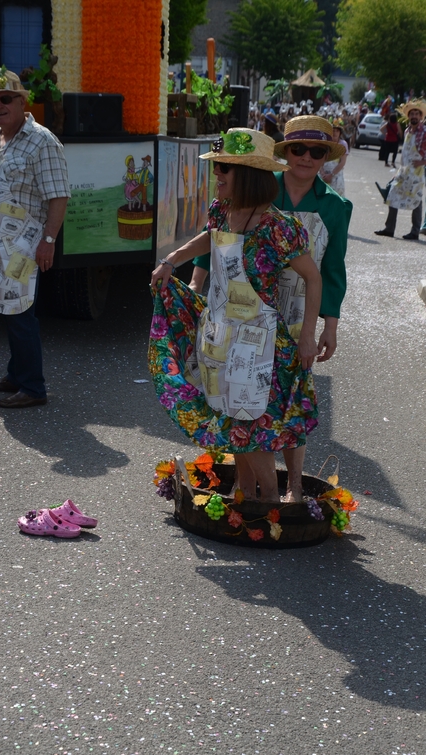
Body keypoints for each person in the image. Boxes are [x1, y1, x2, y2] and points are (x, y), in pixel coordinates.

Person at [149, 128, 322, 503]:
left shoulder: (280, 227)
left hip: (257, 344)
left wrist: (308, 335)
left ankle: (271, 503)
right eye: (218, 167)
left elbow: (313, 279)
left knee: (249, 425)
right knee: (232, 422)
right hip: (220, 336)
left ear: (247, 174)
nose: (218, 175)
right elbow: (209, 238)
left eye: (225, 168)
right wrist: (170, 261)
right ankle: (246, 495)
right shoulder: (222, 211)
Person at [189, 116, 352, 500]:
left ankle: (292, 487)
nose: (306, 157)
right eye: (298, 149)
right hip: (254, 308)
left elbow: (331, 270)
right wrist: (196, 278)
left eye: (317, 151)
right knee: (250, 403)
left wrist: (328, 326)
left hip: (300, 315)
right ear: (283, 153)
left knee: (292, 404)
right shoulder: (258, 189)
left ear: (325, 157)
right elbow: (218, 239)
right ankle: (258, 490)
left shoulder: (336, 207)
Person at [0, 70, 70, 408]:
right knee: (7, 308)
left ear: (22, 101)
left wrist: (49, 240)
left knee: (20, 312)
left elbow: (58, 196)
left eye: (6, 98)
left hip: (23, 245)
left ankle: (32, 387)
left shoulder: (42, 141)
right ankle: (16, 375)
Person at [375, 99, 426, 241]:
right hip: (404, 171)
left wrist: (423, 161)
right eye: (412, 114)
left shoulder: (424, 131)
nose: (414, 116)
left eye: (417, 114)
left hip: (417, 173)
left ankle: (415, 231)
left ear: (421, 117)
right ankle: (389, 229)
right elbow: (404, 153)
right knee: (392, 195)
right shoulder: (408, 130)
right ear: (408, 117)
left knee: (416, 201)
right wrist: (399, 170)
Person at [318, 119, 348, 197]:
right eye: (333, 130)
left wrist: (331, 175)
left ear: (340, 133)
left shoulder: (343, 144)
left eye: (337, 131)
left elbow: (342, 162)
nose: (334, 133)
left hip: (336, 175)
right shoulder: (325, 143)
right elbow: (319, 158)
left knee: (336, 196)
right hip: (323, 174)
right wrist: (322, 173)